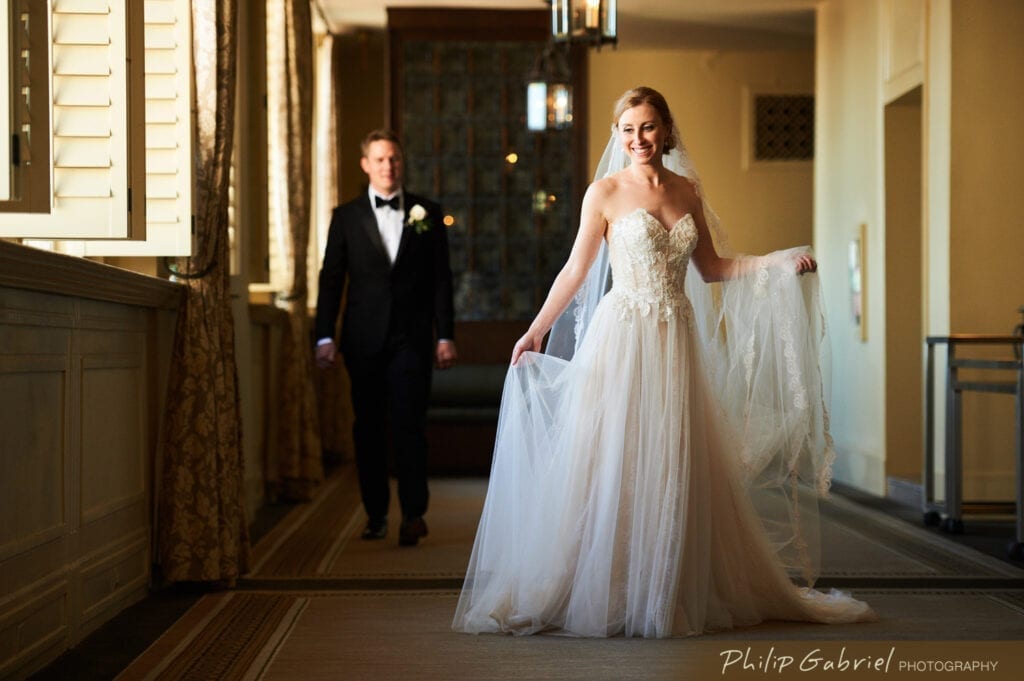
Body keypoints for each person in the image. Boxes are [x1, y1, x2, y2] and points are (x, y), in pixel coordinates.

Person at [452, 87, 876, 637]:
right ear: (618, 135)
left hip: (675, 340)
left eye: (648, 127)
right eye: (628, 129)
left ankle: (669, 583)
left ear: (665, 130)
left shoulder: (687, 191)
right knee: (614, 459)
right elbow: (575, 271)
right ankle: (609, 585)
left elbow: (713, 269)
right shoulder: (604, 193)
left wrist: (775, 263)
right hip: (624, 338)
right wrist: (535, 330)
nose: (638, 139)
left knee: (675, 457)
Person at [315, 128, 457, 547]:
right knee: (369, 428)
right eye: (379, 159)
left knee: (410, 424)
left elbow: (441, 282)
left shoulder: (426, 212)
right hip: (363, 340)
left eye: (393, 158)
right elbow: (331, 281)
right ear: (366, 165)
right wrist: (325, 335)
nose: (388, 166)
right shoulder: (345, 217)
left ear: (401, 161)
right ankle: (375, 513)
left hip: (411, 340)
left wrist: (445, 334)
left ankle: (414, 514)